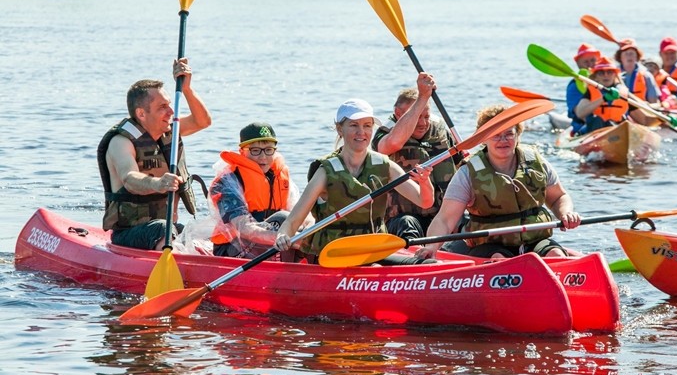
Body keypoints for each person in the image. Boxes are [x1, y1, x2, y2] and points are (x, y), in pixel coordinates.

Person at [275, 98, 434, 264]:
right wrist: (283, 236)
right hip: (333, 253)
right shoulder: (325, 171)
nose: (361, 132)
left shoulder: (385, 166)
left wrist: (424, 182)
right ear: (339, 129)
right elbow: (293, 221)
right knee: (374, 269)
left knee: (428, 264)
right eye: (354, 125)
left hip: (372, 249)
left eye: (367, 125)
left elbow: (424, 202)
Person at [414, 104, 581, 260]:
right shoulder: (468, 173)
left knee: (556, 255)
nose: (503, 140)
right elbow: (445, 219)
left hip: (535, 240)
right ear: (484, 138)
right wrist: (431, 247)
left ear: (518, 135)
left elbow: (559, 197)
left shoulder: (536, 162)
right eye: (496, 135)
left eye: (509, 134)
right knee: (498, 259)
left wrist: (566, 213)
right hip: (491, 244)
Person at [98, 58, 212, 250]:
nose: (171, 111)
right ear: (141, 114)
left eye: (169, 104)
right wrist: (158, 184)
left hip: (167, 228)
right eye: (162, 107)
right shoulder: (121, 142)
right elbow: (129, 178)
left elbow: (202, 122)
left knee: (205, 232)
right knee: (162, 229)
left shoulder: (169, 132)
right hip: (131, 233)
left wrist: (187, 90)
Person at [371, 72, 459, 242]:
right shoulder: (385, 133)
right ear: (398, 113)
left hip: (443, 217)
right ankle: (414, 261)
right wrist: (422, 97)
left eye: (426, 116)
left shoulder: (440, 130)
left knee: (465, 221)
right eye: (417, 115)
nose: (423, 123)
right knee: (407, 224)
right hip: (402, 219)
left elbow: (461, 166)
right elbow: (392, 144)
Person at [208, 122, 314, 259]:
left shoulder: (279, 175)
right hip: (232, 248)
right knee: (283, 218)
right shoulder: (228, 181)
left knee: (307, 226)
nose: (263, 157)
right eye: (255, 150)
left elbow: (301, 212)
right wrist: (282, 238)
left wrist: (310, 229)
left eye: (268, 149)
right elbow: (243, 228)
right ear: (242, 152)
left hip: (273, 239)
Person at [567, 43, 601, 135]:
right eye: (586, 62)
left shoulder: (607, 80)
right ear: (578, 64)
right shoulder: (574, 86)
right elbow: (580, 114)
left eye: (593, 60)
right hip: (584, 128)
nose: (590, 65)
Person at [615, 38, 660, 104]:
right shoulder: (613, 74)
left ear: (637, 56)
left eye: (632, 53)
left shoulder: (646, 75)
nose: (629, 56)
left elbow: (654, 102)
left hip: (641, 110)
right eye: (626, 53)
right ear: (620, 57)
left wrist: (649, 106)